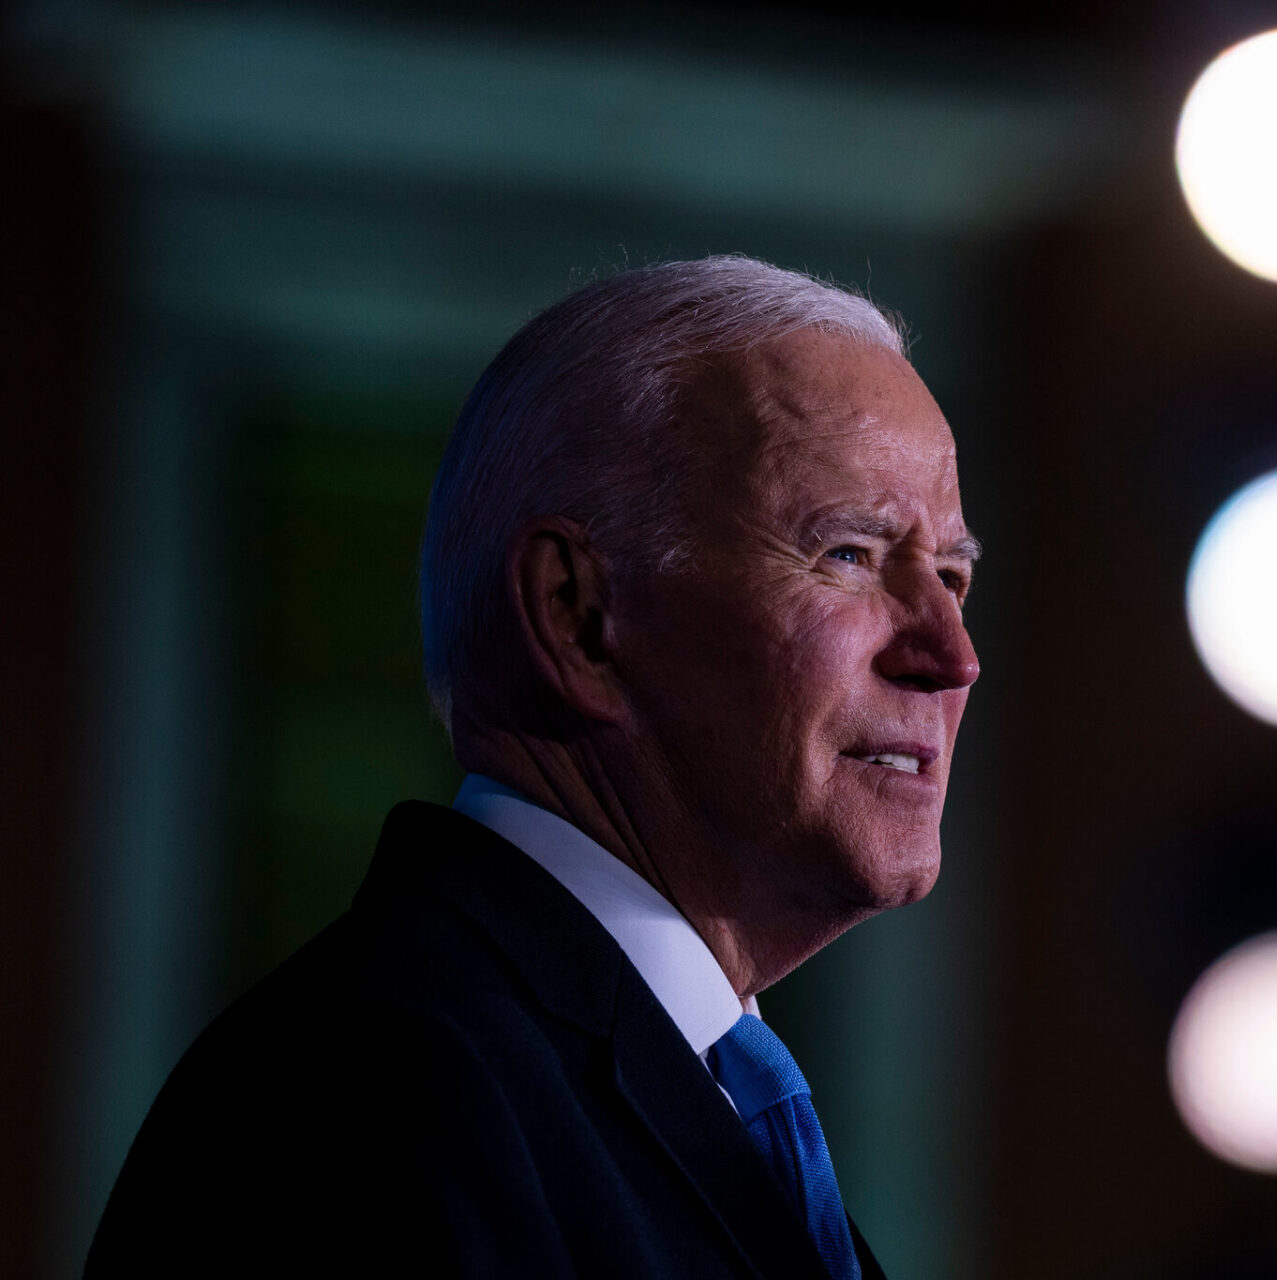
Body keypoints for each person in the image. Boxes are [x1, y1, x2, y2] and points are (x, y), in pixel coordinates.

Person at [85, 256, 982, 1278]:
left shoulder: (685, 1092)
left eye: (952, 573)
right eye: (849, 555)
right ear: (576, 614)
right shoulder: (370, 1092)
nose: (952, 654)